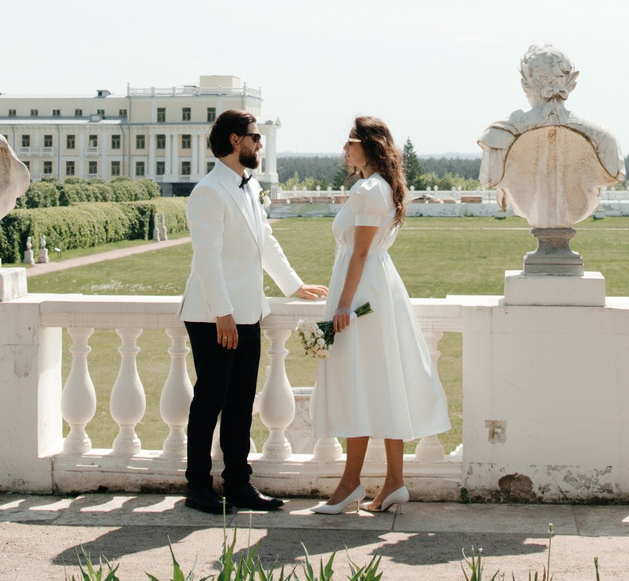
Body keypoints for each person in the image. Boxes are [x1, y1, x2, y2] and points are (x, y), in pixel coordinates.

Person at [179, 109, 326, 515]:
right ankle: (197, 486)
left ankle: (238, 484)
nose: (260, 143)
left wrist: (293, 286)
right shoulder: (208, 192)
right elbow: (207, 260)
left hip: (248, 312)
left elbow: (267, 244)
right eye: (255, 137)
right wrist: (222, 314)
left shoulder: (248, 185)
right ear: (234, 140)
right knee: (210, 399)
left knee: (242, 400)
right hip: (214, 316)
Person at [314, 117, 450, 514]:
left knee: (359, 378)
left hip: (362, 293)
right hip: (374, 288)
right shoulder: (377, 188)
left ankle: (351, 484)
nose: (344, 149)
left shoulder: (370, 189)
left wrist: (342, 304)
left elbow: (359, 252)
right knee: (383, 379)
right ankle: (392, 482)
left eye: (350, 142)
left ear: (369, 146)